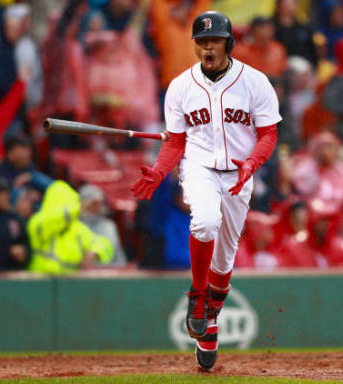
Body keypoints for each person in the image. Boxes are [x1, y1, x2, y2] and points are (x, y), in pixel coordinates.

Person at [131, 11, 280, 370]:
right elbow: (176, 142)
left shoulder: (255, 82)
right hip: (198, 168)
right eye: (201, 41)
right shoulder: (181, 86)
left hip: (240, 174)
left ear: (228, 43)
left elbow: (269, 135)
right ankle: (197, 297)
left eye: (214, 40)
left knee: (225, 259)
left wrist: (251, 164)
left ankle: (210, 322)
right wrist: (159, 170)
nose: (207, 46)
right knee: (205, 224)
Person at [28, 180, 114, 274]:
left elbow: (106, 245)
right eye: (70, 204)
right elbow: (54, 218)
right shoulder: (37, 222)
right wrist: (80, 206)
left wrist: (95, 252)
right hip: (39, 282)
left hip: (69, 284)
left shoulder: (76, 228)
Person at [0, 173, 29, 271]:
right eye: (3, 193)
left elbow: (26, 243)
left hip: (13, 278)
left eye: (8, 193)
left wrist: (24, 252)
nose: (8, 197)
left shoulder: (14, 218)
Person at [79, 184, 127, 267]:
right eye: (93, 203)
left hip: (110, 271)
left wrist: (95, 253)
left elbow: (110, 247)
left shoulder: (108, 225)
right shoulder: (75, 225)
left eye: (100, 203)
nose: (97, 206)